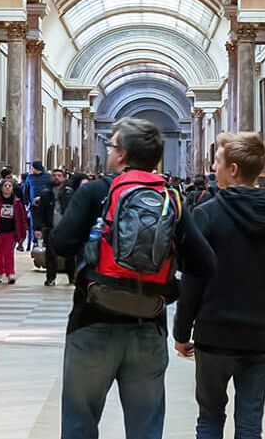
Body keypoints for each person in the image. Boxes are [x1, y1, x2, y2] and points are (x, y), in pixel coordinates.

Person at [50, 117, 216, 439]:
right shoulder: (172, 198)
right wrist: (168, 283)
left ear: (123, 154)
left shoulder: (97, 191)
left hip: (92, 322)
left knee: (79, 424)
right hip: (147, 326)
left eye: (112, 146)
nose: (109, 151)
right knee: (145, 430)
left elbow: (61, 243)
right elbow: (205, 263)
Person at [173, 132, 265, 439]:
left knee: (210, 416)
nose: (213, 168)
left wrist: (182, 333)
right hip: (258, 335)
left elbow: (192, 281)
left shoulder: (206, 215)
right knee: (250, 423)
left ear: (234, 169)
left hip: (214, 335)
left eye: (217, 162)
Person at [33, 167, 72, 286]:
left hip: (66, 227)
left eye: (59, 175)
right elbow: (40, 212)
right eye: (54, 175)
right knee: (50, 254)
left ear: (64, 178)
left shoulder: (69, 193)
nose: (56, 177)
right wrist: (39, 228)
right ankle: (51, 277)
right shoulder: (46, 194)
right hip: (51, 227)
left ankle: (72, 276)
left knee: (70, 253)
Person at [0, 178, 28, 284]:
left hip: (10, 231)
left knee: (9, 253)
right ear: (1, 188)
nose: (7, 187)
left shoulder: (17, 202)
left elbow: (21, 217)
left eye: (9, 186)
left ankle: (10, 273)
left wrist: (22, 231)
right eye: (5, 186)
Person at [21, 160, 52, 247]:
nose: (32, 170)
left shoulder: (48, 177)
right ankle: (35, 241)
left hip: (46, 205)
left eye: (33, 168)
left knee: (46, 222)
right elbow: (25, 191)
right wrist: (27, 203)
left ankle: (45, 240)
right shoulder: (30, 178)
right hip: (34, 205)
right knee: (34, 225)